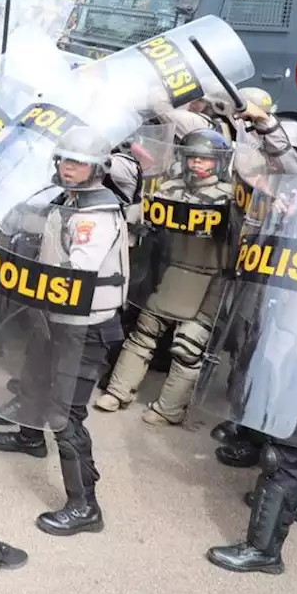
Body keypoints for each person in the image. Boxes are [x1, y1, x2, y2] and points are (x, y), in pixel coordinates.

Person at [0, 132, 127, 536]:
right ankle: (30, 436)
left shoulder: (96, 216)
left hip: (85, 327)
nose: (66, 167)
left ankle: (85, 506)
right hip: (55, 317)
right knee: (34, 381)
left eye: (76, 162)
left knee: (66, 417)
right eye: (63, 159)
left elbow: (76, 270)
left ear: (96, 168)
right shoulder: (68, 201)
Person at [95, 129, 233, 423]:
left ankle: (169, 410)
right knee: (143, 333)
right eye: (192, 157)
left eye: (205, 159)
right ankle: (119, 391)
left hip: (210, 277)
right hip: (170, 270)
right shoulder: (167, 188)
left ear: (218, 163)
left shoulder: (230, 199)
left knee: (188, 346)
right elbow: (140, 217)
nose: (197, 164)